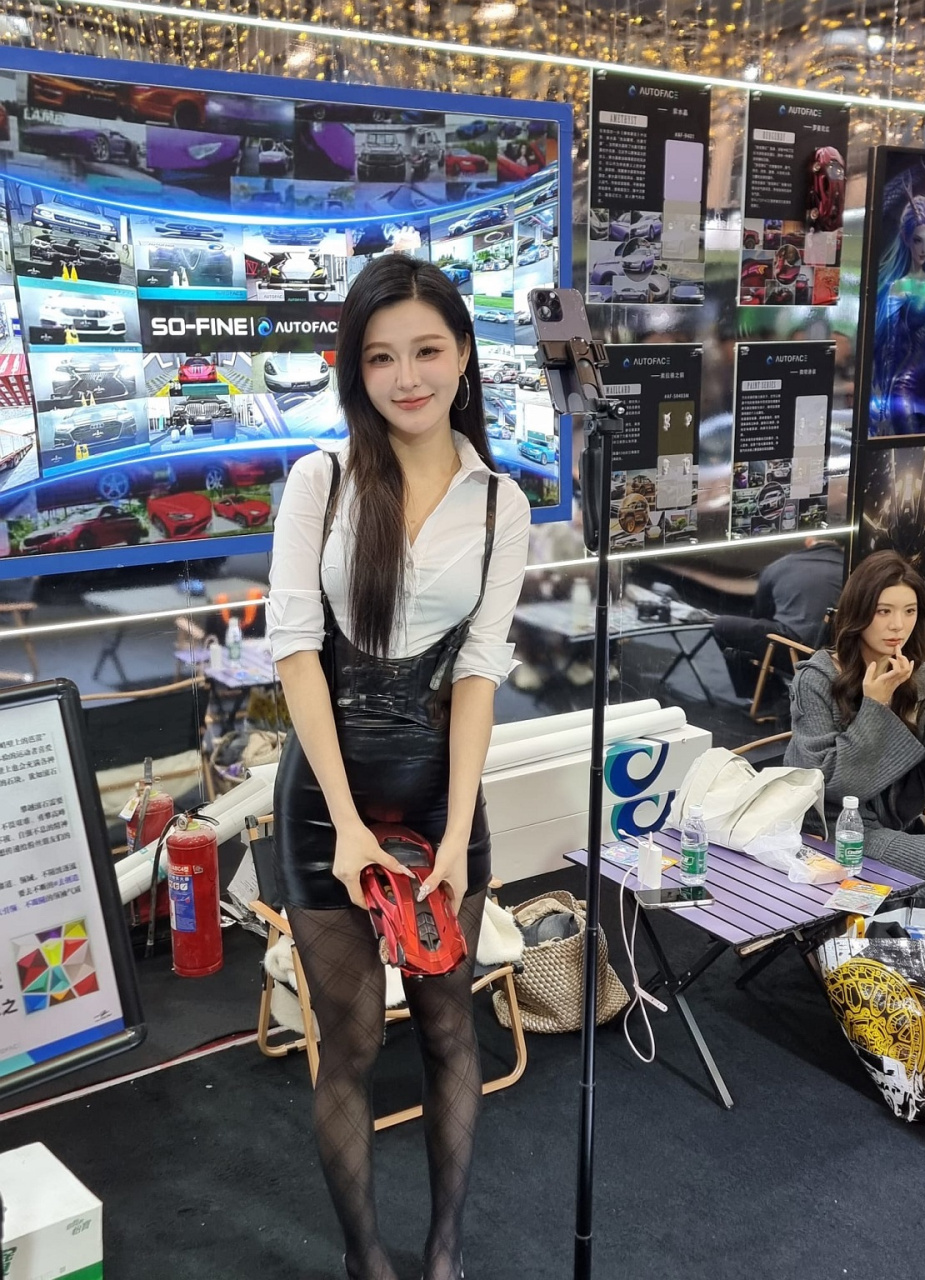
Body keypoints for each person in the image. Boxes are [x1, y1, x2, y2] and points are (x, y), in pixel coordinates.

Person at [266, 254, 531, 1280]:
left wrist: (457, 837)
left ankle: (444, 1252)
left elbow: (479, 674)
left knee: (451, 1029)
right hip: (324, 803)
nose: (405, 377)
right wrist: (346, 825)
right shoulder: (322, 480)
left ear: (463, 356)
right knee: (350, 1042)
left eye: (426, 350)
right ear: (355, 368)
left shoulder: (500, 502)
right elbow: (296, 651)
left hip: (438, 796)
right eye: (380, 357)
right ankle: (365, 1260)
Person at [783, 550, 925, 902]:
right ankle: (915, 919)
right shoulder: (817, 678)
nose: (898, 626)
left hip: (895, 827)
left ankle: (916, 918)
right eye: (884, 611)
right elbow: (828, 786)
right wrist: (875, 706)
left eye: (909, 611)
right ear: (858, 611)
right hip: (833, 833)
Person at [872, 183, 925, 437]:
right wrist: (883, 409)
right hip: (904, 387)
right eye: (918, 240)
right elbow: (889, 348)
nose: (923, 249)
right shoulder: (899, 287)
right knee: (907, 451)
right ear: (906, 239)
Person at [712, 537, 845, 701]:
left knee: (723, 626)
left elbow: (761, 614)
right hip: (841, 657)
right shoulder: (851, 568)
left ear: (809, 541)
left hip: (795, 650)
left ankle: (767, 698)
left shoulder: (780, 565)